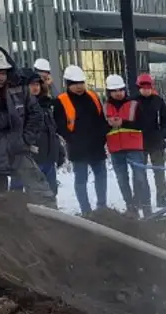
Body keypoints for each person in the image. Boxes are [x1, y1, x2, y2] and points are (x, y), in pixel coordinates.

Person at [0, 42, 56, 206]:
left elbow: (35, 114)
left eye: (3, 72)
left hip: (17, 149)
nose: (0, 77)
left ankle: (53, 227)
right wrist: (14, 117)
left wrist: (26, 139)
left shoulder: (18, 88)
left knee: (42, 193)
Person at [54, 64, 108, 215]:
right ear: (68, 84)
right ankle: (86, 211)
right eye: (75, 84)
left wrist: (103, 137)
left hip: (96, 144)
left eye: (81, 83)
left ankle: (102, 207)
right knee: (81, 179)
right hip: (77, 147)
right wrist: (72, 139)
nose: (79, 87)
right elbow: (60, 126)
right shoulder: (61, 101)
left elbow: (101, 119)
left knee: (101, 176)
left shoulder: (93, 96)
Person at [104, 74, 151, 218]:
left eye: (120, 89)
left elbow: (143, 124)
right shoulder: (105, 107)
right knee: (122, 179)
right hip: (116, 149)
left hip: (134, 147)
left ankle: (146, 207)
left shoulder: (134, 104)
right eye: (114, 90)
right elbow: (100, 127)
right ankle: (131, 207)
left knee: (139, 177)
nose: (118, 93)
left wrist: (122, 123)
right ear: (109, 92)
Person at [12, 69, 64, 196]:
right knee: (25, 195)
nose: (35, 87)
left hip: (48, 159)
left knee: (50, 194)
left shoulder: (46, 105)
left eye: (37, 84)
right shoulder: (19, 108)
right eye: (32, 84)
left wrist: (59, 150)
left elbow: (53, 131)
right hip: (29, 160)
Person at [134, 73, 166, 208]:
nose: (146, 90)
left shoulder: (158, 101)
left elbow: (165, 118)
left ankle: (162, 199)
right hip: (138, 143)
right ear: (139, 88)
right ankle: (142, 200)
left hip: (156, 143)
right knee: (139, 174)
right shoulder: (133, 102)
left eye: (148, 87)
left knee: (159, 173)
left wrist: (163, 134)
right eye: (143, 87)